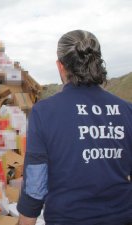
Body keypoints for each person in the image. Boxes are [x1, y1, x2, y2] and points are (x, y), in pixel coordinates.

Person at [17, 30, 132, 225]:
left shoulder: (44, 112)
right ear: (97, 62)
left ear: (60, 66)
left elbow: (35, 186)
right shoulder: (127, 110)